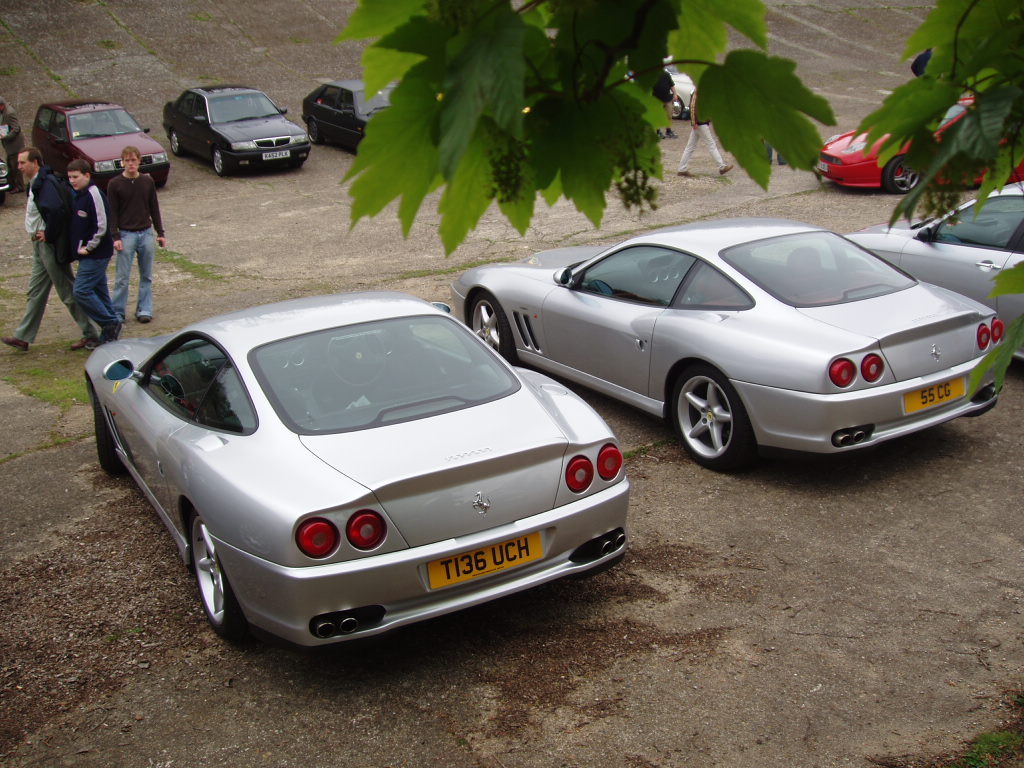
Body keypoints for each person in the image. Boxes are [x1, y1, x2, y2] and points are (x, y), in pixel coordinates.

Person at [107, 145, 166, 324]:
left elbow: (154, 208)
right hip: (126, 234)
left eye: (134, 160)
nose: (131, 164)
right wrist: (115, 236)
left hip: (146, 232)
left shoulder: (147, 182)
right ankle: (118, 311)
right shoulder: (115, 184)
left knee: (146, 274)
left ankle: (144, 308)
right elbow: (113, 212)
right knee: (122, 277)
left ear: (139, 161)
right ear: (122, 162)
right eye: (127, 160)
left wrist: (160, 232)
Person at [67, 159, 121, 344]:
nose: (72, 181)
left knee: (81, 290)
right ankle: (111, 333)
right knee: (99, 291)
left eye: (76, 177)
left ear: (87, 175)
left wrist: (88, 247)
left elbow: (101, 226)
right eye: (69, 178)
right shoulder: (79, 195)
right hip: (88, 254)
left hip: (96, 254)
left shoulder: (93, 194)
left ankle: (109, 323)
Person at [676, 88, 733, 177]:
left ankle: (682, 168)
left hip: (700, 122)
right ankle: (721, 167)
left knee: (691, 146)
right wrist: (694, 122)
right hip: (700, 122)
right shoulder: (699, 90)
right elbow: (693, 106)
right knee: (710, 144)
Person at [0, 96, 26, 193]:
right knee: (10, 166)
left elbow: (16, 129)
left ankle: (20, 187)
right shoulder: (3, 112)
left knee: (16, 166)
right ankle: (12, 185)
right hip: (9, 145)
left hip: (15, 145)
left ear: (2, 106)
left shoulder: (10, 113)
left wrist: (5, 137)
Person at [653, 69, 678, 139]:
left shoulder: (666, 74)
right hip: (656, 99)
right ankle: (658, 132)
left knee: (669, 115)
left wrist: (675, 94)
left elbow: (672, 85)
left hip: (667, 98)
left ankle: (668, 131)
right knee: (657, 116)